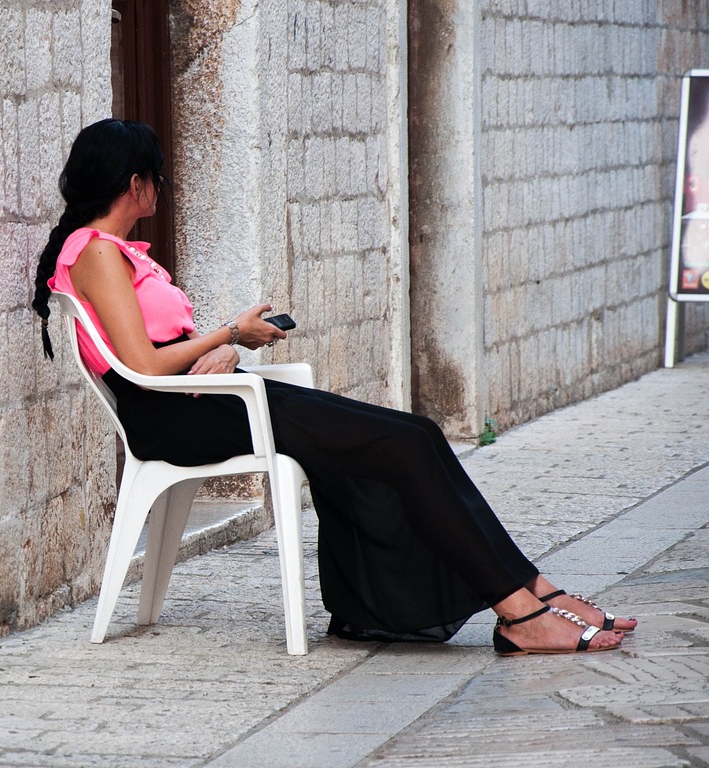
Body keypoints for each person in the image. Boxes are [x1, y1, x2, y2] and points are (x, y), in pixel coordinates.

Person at [31, 118, 636, 655]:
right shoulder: (95, 252)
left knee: (416, 434)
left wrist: (219, 348)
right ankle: (521, 614)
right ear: (135, 183)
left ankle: (530, 590)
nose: (161, 188)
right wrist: (230, 333)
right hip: (179, 417)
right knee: (404, 444)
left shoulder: (112, 251)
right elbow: (141, 362)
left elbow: (156, 348)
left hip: (204, 398)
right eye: (157, 177)